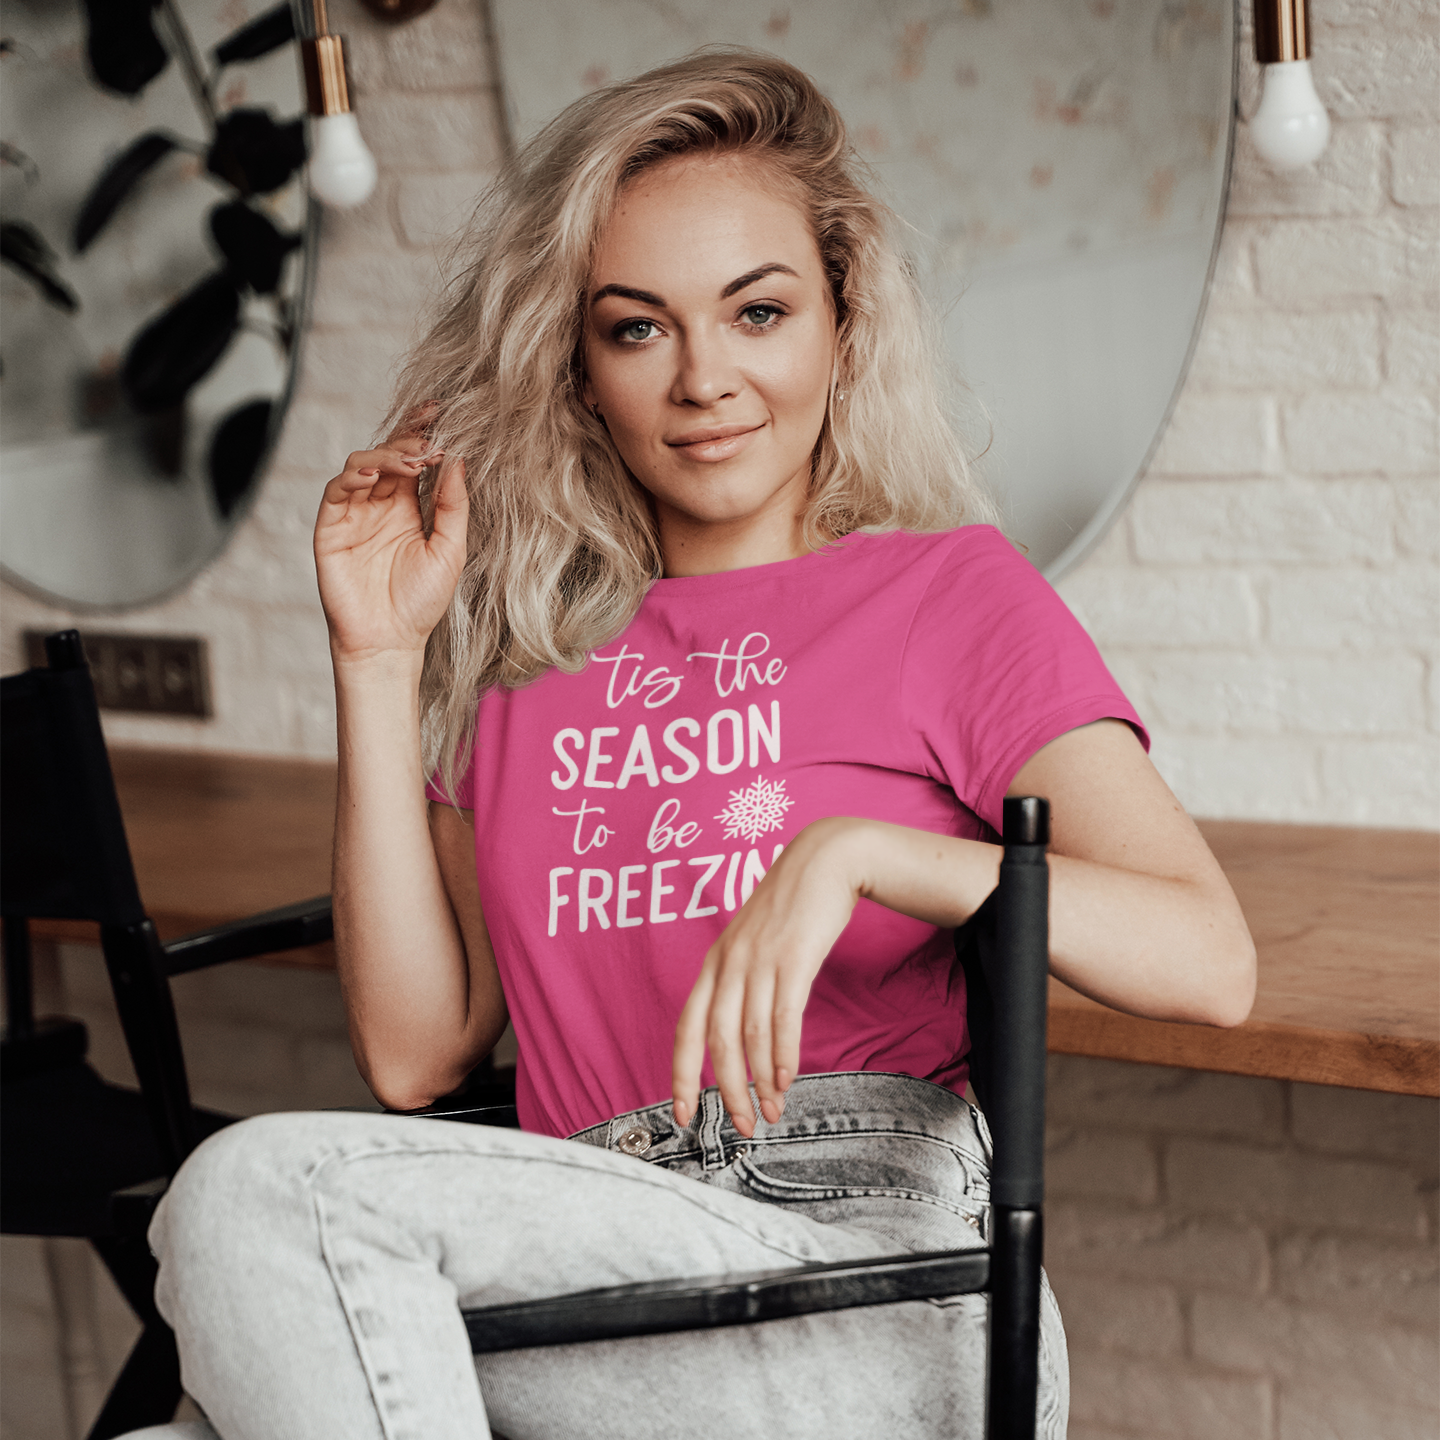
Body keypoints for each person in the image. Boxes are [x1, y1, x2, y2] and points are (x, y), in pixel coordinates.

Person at [131, 48, 1255, 1440]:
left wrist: (869, 856)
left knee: (251, 1196)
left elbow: (1208, 960)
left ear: (842, 325)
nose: (706, 377)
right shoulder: (534, 655)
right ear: (579, 366)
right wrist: (376, 654)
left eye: (759, 311)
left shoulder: (947, 599)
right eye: (638, 328)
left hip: (864, 1285)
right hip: (590, 1266)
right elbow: (417, 1054)